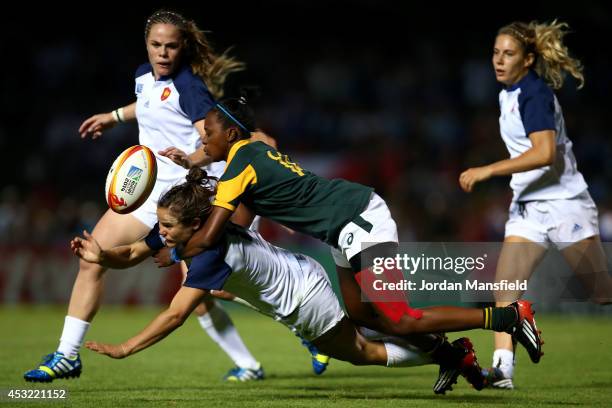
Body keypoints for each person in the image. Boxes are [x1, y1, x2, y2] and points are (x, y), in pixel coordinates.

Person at [24, 9, 324, 383]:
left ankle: (306, 328)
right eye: (156, 45)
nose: (163, 53)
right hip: (149, 191)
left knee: (214, 286)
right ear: (146, 44)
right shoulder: (142, 76)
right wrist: (113, 116)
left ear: (182, 48)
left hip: (192, 195)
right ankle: (67, 356)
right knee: (92, 257)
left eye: (171, 46)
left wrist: (216, 151)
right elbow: (149, 104)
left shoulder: (191, 87)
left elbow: (211, 137)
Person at [156, 94, 544, 379]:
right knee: (360, 314)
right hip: (344, 227)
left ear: (230, 133)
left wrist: (167, 250)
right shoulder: (253, 153)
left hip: (359, 220)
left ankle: (509, 316)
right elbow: (235, 221)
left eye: (208, 134)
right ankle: (451, 357)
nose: (203, 141)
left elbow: (209, 237)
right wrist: (194, 167)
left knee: (402, 317)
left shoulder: (241, 163)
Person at [74, 167, 487, 394]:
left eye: (165, 226)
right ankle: (447, 350)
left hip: (303, 302)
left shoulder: (208, 254)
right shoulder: (196, 231)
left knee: (362, 351)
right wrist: (101, 256)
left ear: (194, 224)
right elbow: (131, 252)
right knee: (373, 320)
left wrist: (125, 347)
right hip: (302, 277)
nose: (160, 232)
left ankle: (452, 355)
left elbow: (175, 314)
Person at [459, 20, 612, 389]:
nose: (499, 60)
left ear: (527, 59)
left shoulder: (534, 93)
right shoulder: (506, 93)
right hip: (528, 206)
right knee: (505, 289)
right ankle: (502, 371)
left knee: (602, 293)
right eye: (496, 53)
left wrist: (488, 170)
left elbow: (544, 153)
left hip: (565, 205)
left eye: (508, 54)